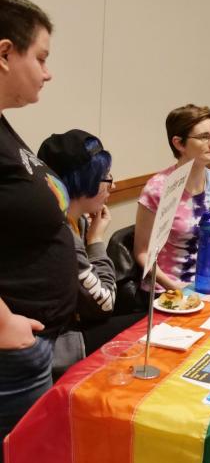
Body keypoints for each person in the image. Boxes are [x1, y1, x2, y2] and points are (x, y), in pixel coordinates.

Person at [0, 0, 79, 463]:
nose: (48, 73)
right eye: (41, 57)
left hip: (33, 339)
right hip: (12, 346)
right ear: (6, 52)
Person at [37, 130, 117, 374]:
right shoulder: (60, 232)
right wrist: (96, 241)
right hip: (55, 346)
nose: (113, 184)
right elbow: (104, 302)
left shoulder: (75, 219)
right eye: (105, 177)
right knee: (140, 329)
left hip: (71, 326)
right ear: (85, 181)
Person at [134, 104, 210, 292]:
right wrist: (178, 290)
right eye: (204, 137)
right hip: (168, 292)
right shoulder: (158, 188)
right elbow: (143, 252)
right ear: (179, 143)